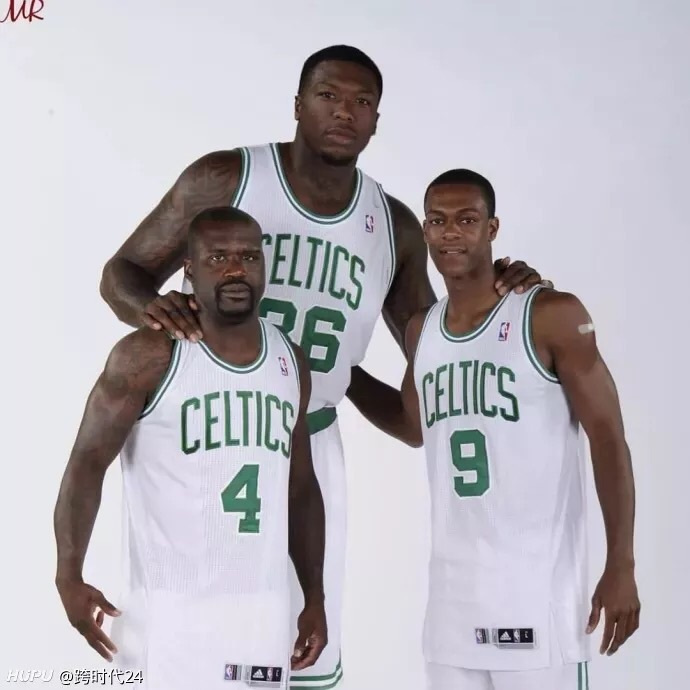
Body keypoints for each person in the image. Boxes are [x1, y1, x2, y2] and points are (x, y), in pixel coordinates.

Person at [99, 45, 549, 688]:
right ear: (297, 105)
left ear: (376, 120)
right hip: (204, 429)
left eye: (362, 102)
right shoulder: (226, 178)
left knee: (303, 656)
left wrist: (496, 286)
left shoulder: (393, 226)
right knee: (185, 652)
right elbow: (121, 272)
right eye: (329, 96)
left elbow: (435, 355)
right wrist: (154, 310)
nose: (345, 113)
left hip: (309, 437)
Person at [346, 169, 640, 690]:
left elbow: (608, 437)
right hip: (451, 609)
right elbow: (414, 427)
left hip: (537, 604)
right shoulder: (422, 329)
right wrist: (343, 374)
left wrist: (621, 563)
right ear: (426, 231)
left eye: (466, 220)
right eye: (438, 221)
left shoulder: (550, 315)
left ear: (492, 228)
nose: (450, 233)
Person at [54, 208, 327, 690]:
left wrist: (315, 598)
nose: (236, 269)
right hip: (170, 622)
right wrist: (68, 574)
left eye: (248, 256)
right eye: (218, 257)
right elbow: (88, 462)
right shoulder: (149, 355)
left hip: (263, 621)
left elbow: (300, 489)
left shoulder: (290, 360)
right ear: (189, 269)